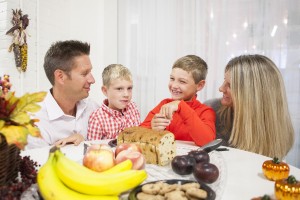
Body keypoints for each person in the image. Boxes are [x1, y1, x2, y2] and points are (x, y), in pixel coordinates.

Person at [205, 54, 294, 159]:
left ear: (252, 94)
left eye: (230, 85)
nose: (221, 88)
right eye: (224, 80)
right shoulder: (210, 110)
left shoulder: (277, 129)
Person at [26, 40, 99, 149]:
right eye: (84, 74)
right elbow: (36, 165)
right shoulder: (34, 122)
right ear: (60, 77)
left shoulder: (93, 108)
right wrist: (66, 150)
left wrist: (85, 144)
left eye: (90, 72)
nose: (92, 80)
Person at [140, 55, 216, 146]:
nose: (174, 85)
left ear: (199, 85)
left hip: (190, 159)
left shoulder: (205, 112)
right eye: (172, 79)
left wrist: (181, 105)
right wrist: (152, 128)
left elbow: (207, 142)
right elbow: (138, 134)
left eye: (182, 81)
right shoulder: (163, 105)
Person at [87, 64, 140, 140]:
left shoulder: (133, 108)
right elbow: (93, 148)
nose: (126, 94)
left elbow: (138, 138)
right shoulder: (97, 119)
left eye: (129, 88)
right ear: (105, 91)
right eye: (119, 89)